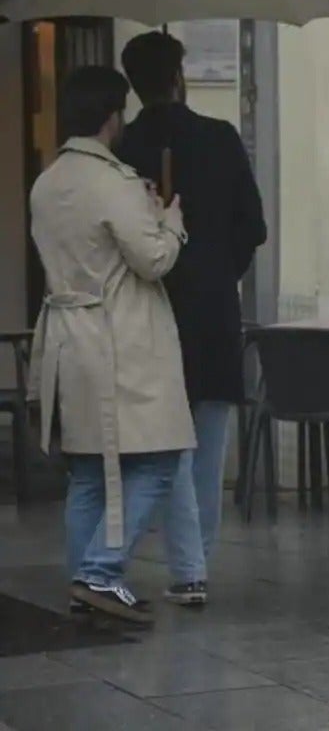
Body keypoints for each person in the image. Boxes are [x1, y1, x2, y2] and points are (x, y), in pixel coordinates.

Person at [28, 66, 194, 625]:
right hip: (121, 339)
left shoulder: (47, 182)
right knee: (159, 457)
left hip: (68, 341)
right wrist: (168, 220)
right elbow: (153, 259)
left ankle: (86, 583)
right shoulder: (115, 181)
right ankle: (99, 573)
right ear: (111, 115)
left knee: (90, 472)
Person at [117, 31, 267, 608]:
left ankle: (190, 564)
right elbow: (252, 225)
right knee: (206, 436)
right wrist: (220, 265)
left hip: (152, 307)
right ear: (180, 76)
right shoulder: (219, 138)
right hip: (213, 306)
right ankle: (196, 557)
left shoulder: (124, 147)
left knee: (165, 441)